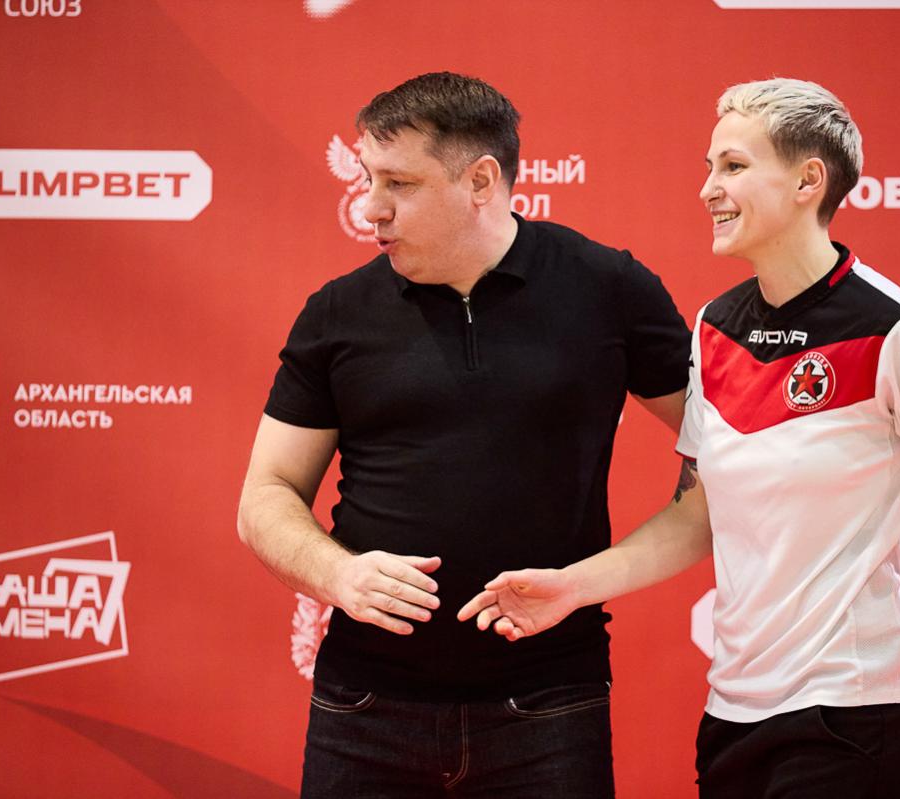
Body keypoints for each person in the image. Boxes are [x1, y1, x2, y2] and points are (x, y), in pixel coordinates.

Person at [460, 78, 900, 797]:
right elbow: (695, 517)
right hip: (733, 714)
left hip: (856, 717)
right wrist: (572, 586)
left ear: (806, 180)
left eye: (732, 166)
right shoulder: (714, 327)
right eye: (709, 167)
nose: (708, 188)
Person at [236, 71, 695, 798]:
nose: (369, 206)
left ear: (481, 181)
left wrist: (592, 580)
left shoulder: (609, 288)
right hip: (363, 706)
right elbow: (266, 493)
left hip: (550, 705)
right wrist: (337, 576)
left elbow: (728, 455)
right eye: (367, 178)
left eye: (399, 183)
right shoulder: (337, 312)